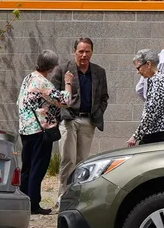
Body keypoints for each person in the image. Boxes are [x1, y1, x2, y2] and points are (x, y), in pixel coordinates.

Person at [15, 50, 64, 215]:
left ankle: (23, 202)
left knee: (27, 167)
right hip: (40, 131)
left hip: (25, 129)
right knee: (38, 167)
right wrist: (69, 83)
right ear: (51, 67)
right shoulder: (43, 82)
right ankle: (34, 204)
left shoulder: (28, 78)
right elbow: (64, 100)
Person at [56, 37, 107, 185]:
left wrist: (97, 113)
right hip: (68, 120)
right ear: (74, 52)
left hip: (88, 121)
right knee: (68, 160)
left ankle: (77, 196)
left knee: (82, 162)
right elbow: (53, 95)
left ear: (92, 52)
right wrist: (60, 114)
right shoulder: (63, 69)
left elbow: (104, 97)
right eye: (81, 51)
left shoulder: (99, 71)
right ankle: (63, 196)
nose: (84, 55)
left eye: (87, 51)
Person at [129, 50, 164, 145]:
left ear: (148, 64)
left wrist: (135, 136)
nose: (138, 72)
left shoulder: (159, 81)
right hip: (159, 131)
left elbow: (152, 111)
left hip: (158, 133)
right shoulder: (159, 79)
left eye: (138, 68)